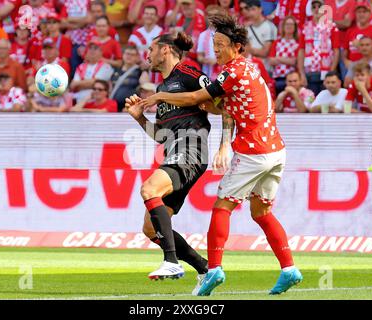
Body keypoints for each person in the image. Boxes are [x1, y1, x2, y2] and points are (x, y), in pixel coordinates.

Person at [137, 14, 302, 296]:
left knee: (221, 208)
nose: (216, 50)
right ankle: (289, 269)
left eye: (221, 45)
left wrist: (159, 98)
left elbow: (197, 99)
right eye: (214, 44)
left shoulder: (229, 71)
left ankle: (211, 270)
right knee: (261, 212)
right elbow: (220, 105)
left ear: (237, 46)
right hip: (276, 150)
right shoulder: (250, 69)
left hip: (252, 150)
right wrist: (143, 116)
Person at [124, 32, 213, 290]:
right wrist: (140, 118)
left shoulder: (188, 72)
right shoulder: (162, 88)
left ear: (165, 50)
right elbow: (161, 136)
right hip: (176, 149)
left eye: (151, 49)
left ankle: (171, 261)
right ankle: (205, 268)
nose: (147, 54)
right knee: (151, 229)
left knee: (149, 189)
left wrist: (226, 143)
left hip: (192, 148)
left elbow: (217, 98)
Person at [298, 0, 340, 96]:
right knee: (311, 101)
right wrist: (302, 74)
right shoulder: (305, 27)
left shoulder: (332, 26)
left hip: (326, 71)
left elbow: (336, 50)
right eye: (314, 7)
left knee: (325, 103)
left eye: (319, 6)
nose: (316, 9)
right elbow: (301, 51)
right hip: (310, 71)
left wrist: (331, 73)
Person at [343, 2, 372, 70]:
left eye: (364, 12)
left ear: (370, 14)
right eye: (359, 12)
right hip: (352, 68)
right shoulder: (350, 31)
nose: (361, 14)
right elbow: (345, 51)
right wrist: (345, 61)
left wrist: (360, 46)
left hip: (370, 68)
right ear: (355, 14)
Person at [240, 0, 277, 72]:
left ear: (260, 9)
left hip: (264, 69)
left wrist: (248, 49)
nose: (251, 12)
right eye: (249, 10)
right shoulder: (246, 28)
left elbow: (265, 52)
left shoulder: (269, 26)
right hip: (249, 68)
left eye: (253, 9)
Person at [268, 15, 301, 95]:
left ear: (295, 27)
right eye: (287, 24)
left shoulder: (298, 43)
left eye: (291, 24)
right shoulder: (277, 42)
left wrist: (278, 58)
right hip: (278, 77)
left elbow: (294, 61)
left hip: (292, 79)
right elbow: (271, 61)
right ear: (283, 26)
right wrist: (287, 60)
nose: (289, 26)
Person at [110, 45, 148, 112]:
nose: (129, 56)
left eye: (132, 55)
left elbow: (145, 85)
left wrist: (144, 70)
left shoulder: (140, 71)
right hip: (113, 108)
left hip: (129, 108)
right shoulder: (115, 70)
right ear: (123, 55)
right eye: (127, 53)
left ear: (137, 57)